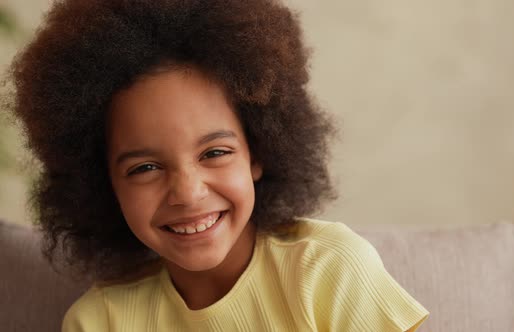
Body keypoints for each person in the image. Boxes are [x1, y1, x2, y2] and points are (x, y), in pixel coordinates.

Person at [6, 0, 429, 330]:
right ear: (104, 186)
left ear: (258, 152)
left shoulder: (326, 270)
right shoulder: (101, 322)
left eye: (214, 153)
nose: (188, 192)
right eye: (145, 168)